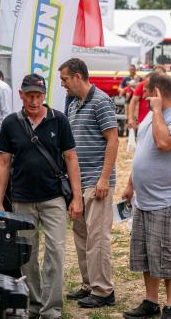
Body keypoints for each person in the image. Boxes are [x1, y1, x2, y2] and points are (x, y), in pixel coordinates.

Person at [0, 74, 84, 319]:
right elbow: (3, 162)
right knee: (27, 257)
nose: (34, 101)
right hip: (22, 199)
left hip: (53, 198)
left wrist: (77, 198)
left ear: (45, 96)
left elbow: (71, 158)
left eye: (38, 96)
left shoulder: (59, 120)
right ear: (21, 95)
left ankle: (51, 310)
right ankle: (33, 306)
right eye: (29, 95)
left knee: (55, 253)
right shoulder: (11, 123)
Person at [121, 73, 171, 319]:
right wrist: (131, 184)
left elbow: (163, 142)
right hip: (143, 198)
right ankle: (151, 301)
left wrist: (156, 111)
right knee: (145, 255)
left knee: (169, 255)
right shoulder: (150, 118)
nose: (144, 98)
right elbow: (143, 151)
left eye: (148, 93)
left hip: (168, 199)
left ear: (159, 93)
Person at [58, 59, 119, 308]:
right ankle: (89, 284)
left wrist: (104, 178)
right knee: (82, 235)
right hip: (78, 183)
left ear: (78, 77)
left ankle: (104, 290)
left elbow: (113, 141)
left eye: (64, 79)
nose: (62, 84)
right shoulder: (73, 106)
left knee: (97, 238)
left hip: (96, 181)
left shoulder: (101, 101)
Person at [129, 65, 167, 132]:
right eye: (156, 74)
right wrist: (131, 118)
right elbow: (133, 101)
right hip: (144, 122)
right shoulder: (144, 84)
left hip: (162, 121)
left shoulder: (166, 87)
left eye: (160, 74)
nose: (158, 76)